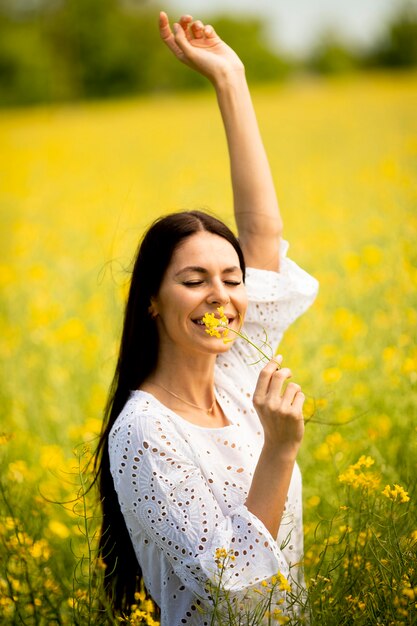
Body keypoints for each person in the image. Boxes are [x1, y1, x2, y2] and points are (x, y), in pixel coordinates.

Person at [94, 11, 319, 625]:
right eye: (193, 281)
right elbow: (233, 586)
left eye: (231, 279)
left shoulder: (235, 376)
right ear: (152, 301)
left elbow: (261, 232)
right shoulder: (146, 432)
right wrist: (279, 449)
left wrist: (231, 78)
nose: (220, 296)